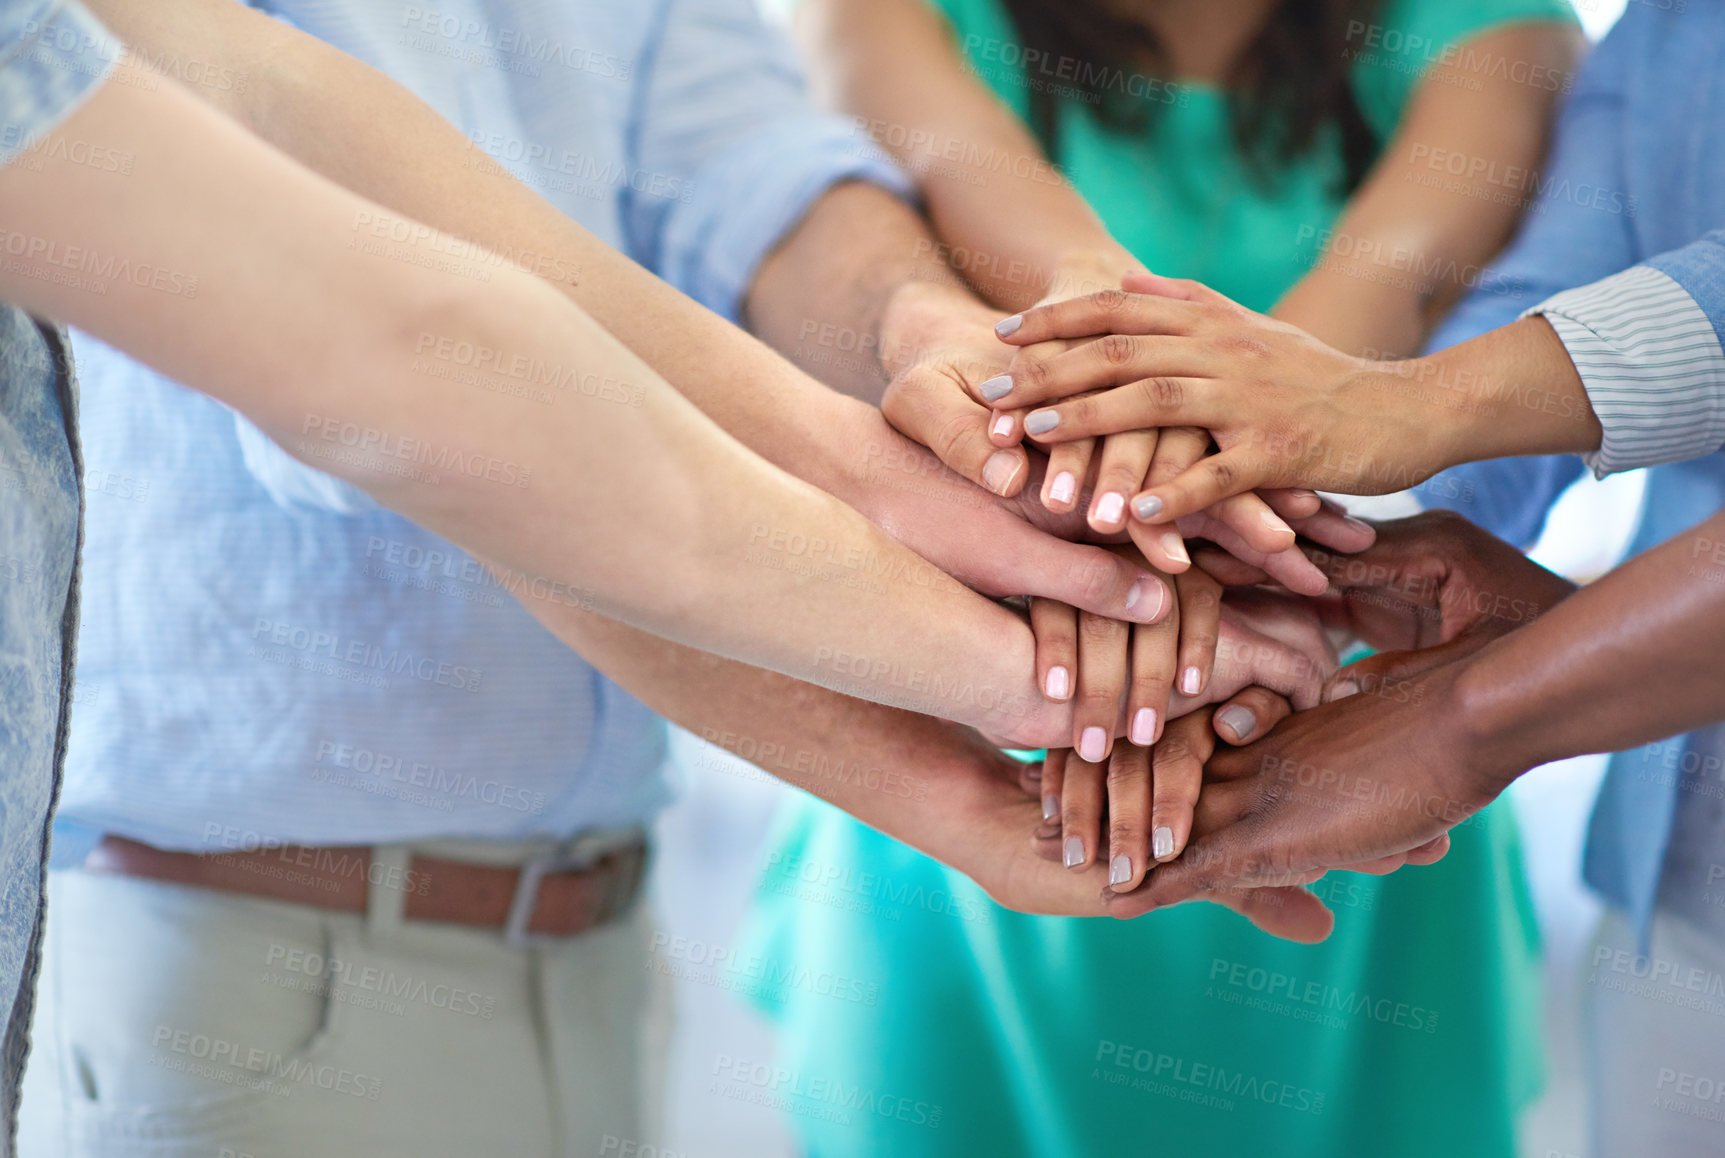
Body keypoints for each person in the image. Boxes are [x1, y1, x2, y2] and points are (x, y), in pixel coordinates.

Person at [10, 2, 1377, 1155]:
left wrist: (942, 351)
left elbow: (759, 177)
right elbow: (422, 404)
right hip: (255, 948)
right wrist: (1018, 682)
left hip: (599, 925)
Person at [738, 0, 1579, 1154]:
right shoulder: (888, 16)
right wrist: (1184, 567)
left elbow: (1374, 306)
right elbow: (1029, 256)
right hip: (982, 726)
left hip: (1341, 735)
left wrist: (1167, 567)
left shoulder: (1487, 30)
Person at [993, 1, 1725, 1150]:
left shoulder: (1478, 34)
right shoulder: (1674, 29)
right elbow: (1543, 293)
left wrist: (1468, 714)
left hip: (1414, 748)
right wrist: (1304, 567)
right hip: (1672, 860)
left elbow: (1412, 315)